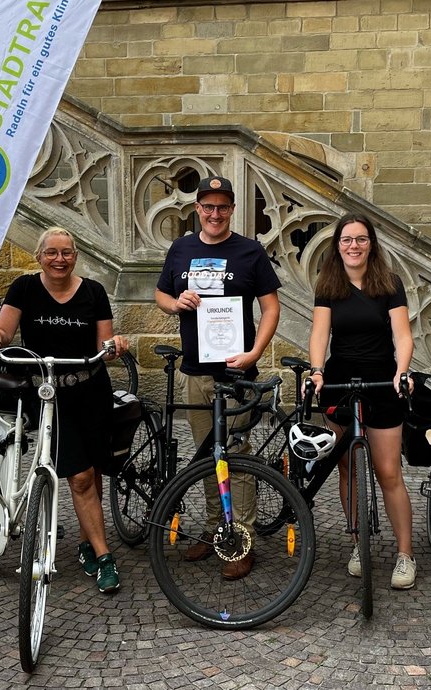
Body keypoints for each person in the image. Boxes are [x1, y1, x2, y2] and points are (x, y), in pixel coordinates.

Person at [0, 227, 129, 595]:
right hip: (48, 395)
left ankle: (90, 542)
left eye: (67, 253)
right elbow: (4, 331)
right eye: (52, 252)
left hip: (91, 391)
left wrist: (116, 344)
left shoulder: (93, 292)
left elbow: (103, 342)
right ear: (40, 255)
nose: (59, 259)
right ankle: (105, 557)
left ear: (76, 256)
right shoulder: (24, 288)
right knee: (80, 477)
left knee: (92, 472)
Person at [154, 174, 282, 581]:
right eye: (208, 207)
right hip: (197, 372)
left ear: (231, 210)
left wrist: (255, 353)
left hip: (235, 373)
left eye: (222, 207)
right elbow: (159, 295)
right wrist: (176, 303)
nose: (214, 213)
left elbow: (272, 308)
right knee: (209, 457)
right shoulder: (181, 249)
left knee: (238, 458)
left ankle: (239, 541)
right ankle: (214, 530)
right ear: (197, 210)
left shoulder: (250, 251)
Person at [307, 214, 418, 590]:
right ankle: (359, 544)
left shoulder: (388, 283)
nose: (353, 246)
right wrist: (317, 370)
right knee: (348, 470)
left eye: (361, 239)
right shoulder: (329, 285)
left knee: (388, 472)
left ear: (371, 243)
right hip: (339, 381)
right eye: (346, 240)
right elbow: (320, 333)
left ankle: (405, 554)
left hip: (381, 380)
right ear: (337, 245)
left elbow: (402, 335)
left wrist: (402, 370)